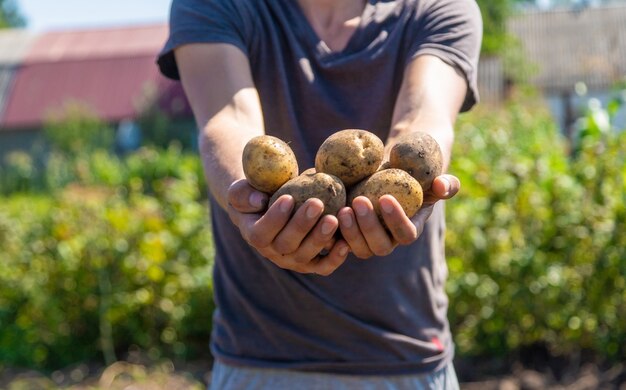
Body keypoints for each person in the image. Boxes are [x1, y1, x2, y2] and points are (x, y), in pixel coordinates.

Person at [157, 0, 482, 388]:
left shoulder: (438, 6)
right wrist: (250, 201)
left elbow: (424, 116)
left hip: (405, 356)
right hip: (259, 357)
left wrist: (412, 177)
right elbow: (229, 119)